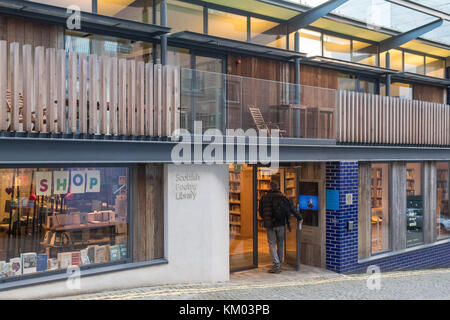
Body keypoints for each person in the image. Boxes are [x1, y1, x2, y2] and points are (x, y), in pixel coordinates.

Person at [258, 181, 303, 274]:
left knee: (271, 244)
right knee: (280, 244)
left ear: (269, 187)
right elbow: (292, 208)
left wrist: (266, 219)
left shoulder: (264, 198)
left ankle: (276, 265)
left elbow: (261, 212)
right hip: (281, 224)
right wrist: (300, 217)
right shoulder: (283, 197)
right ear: (278, 187)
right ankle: (279, 264)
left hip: (270, 225)